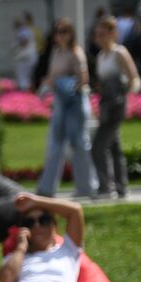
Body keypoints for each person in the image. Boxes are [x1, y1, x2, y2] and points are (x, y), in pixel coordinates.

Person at [36, 20, 97, 199]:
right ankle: (47, 188)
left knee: (79, 143)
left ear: (71, 33)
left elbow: (84, 79)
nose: (60, 35)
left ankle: (87, 186)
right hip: (60, 102)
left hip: (75, 102)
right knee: (55, 145)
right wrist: (47, 86)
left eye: (64, 31)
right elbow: (51, 76)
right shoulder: (56, 52)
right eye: (57, 32)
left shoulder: (75, 52)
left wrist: (66, 85)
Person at [91, 17, 141, 200]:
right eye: (97, 34)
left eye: (103, 34)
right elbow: (100, 85)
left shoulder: (119, 52)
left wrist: (128, 95)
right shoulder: (100, 56)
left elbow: (134, 78)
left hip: (117, 105)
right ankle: (121, 187)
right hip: (106, 105)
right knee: (114, 147)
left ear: (113, 34)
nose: (99, 38)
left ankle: (106, 187)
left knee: (98, 147)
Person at [13, 15, 39, 92]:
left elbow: (25, 42)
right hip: (27, 56)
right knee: (25, 75)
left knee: (25, 75)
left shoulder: (23, 31)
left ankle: (25, 91)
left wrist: (17, 44)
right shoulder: (25, 30)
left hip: (26, 57)